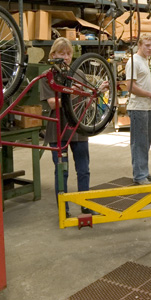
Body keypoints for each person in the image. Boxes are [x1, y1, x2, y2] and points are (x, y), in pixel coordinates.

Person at [40, 37, 91, 216]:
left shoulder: (79, 74)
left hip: (78, 128)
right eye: (62, 53)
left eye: (68, 53)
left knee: (83, 169)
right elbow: (53, 103)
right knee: (62, 172)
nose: (66, 57)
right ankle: (64, 209)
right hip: (58, 130)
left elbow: (86, 97)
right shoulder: (48, 76)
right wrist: (71, 95)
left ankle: (85, 204)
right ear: (53, 54)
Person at [125, 32, 151, 185]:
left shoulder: (145, 60)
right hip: (137, 107)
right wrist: (149, 94)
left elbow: (142, 83)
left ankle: (143, 171)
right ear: (139, 45)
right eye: (147, 46)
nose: (150, 49)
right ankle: (139, 176)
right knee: (139, 142)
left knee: (146, 141)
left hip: (146, 107)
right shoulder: (134, 61)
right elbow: (130, 86)